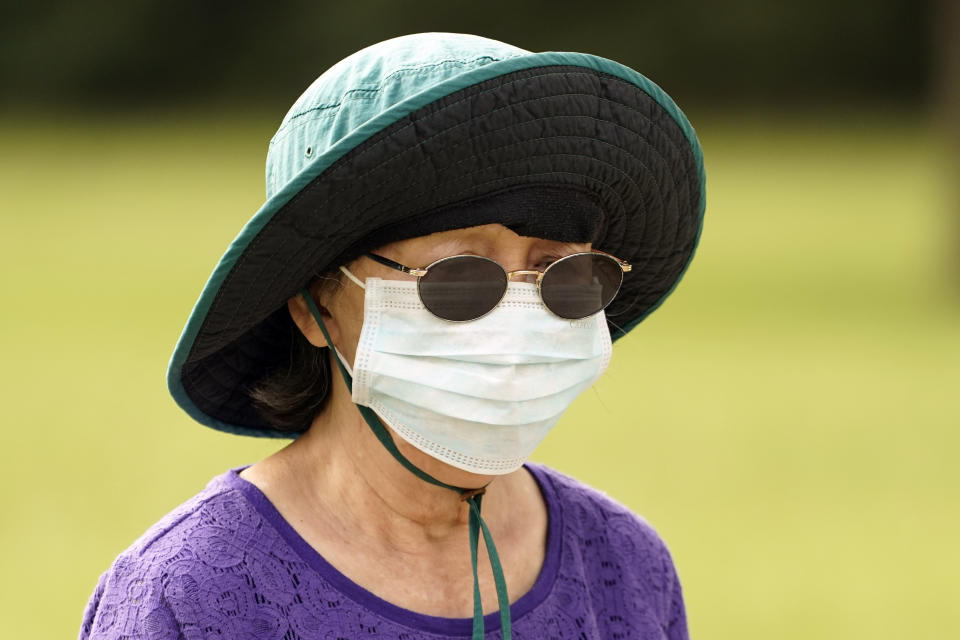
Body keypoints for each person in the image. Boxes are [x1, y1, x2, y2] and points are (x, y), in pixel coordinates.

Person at [79, 32, 705, 640]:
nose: (520, 320)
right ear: (312, 303)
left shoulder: (624, 565)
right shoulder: (189, 596)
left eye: (564, 274)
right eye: (458, 276)